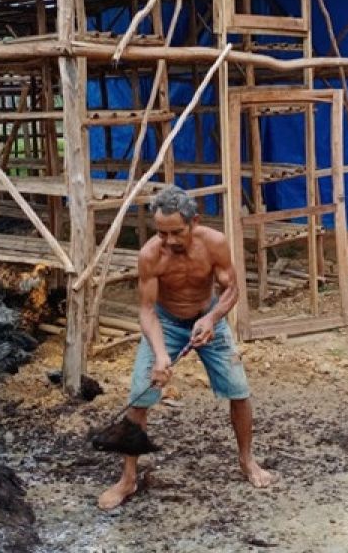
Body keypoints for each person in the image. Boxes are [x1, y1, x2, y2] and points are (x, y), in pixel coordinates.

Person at [97, 185, 276, 510]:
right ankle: (128, 479)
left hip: (208, 318)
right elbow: (147, 311)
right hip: (165, 322)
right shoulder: (151, 255)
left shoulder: (215, 244)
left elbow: (232, 289)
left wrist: (212, 318)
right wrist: (162, 354)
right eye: (161, 233)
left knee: (239, 390)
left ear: (195, 221)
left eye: (175, 232)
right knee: (140, 394)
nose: (168, 241)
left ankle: (247, 461)